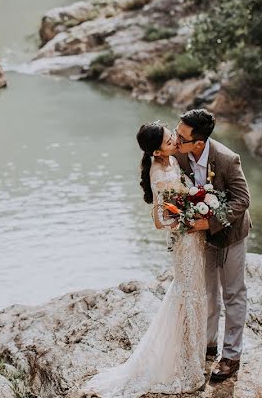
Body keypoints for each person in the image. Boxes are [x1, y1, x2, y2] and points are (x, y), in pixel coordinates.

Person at [82, 123, 210, 397]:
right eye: (168, 140)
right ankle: (185, 364)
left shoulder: (172, 161)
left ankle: (193, 357)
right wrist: (189, 220)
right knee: (187, 296)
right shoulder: (159, 173)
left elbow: (182, 196)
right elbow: (161, 219)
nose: (174, 140)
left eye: (172, 136)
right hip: (185, 240)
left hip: (194, 239)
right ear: (156, 151)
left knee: (195, 294)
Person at [175, 108, 252, 381]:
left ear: (199, 143)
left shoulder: (228, 159)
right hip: (200, 239)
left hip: (231, 235)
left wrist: (208, 223)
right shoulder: (180, 153)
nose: (175, 140)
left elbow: (242, 200)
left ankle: (231, 356)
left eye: (181, 137)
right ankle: (208, 344)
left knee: (233, 293)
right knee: (207, 292)